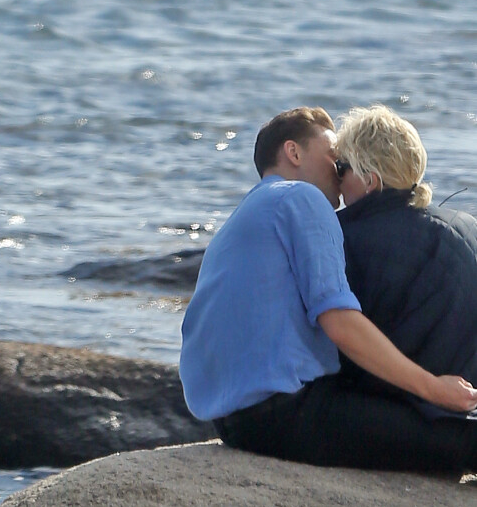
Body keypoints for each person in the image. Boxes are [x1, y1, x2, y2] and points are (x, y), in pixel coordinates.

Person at [179, 106, 477, 472]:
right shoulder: (301, 199)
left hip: (232, 417)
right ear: (294, 152)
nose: (339, 174)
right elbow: (339, 321)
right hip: (286, 412)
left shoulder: (245, 217)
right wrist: (434, 388)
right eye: (335, 159)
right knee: (463, 443)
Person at [335, 104, 477, 416]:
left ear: (369, 180)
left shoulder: (346, 239)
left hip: (403, 415)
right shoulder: (468, 227)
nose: (337, 183)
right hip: (463, 412)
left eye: (341, 169)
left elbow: (338, 341)